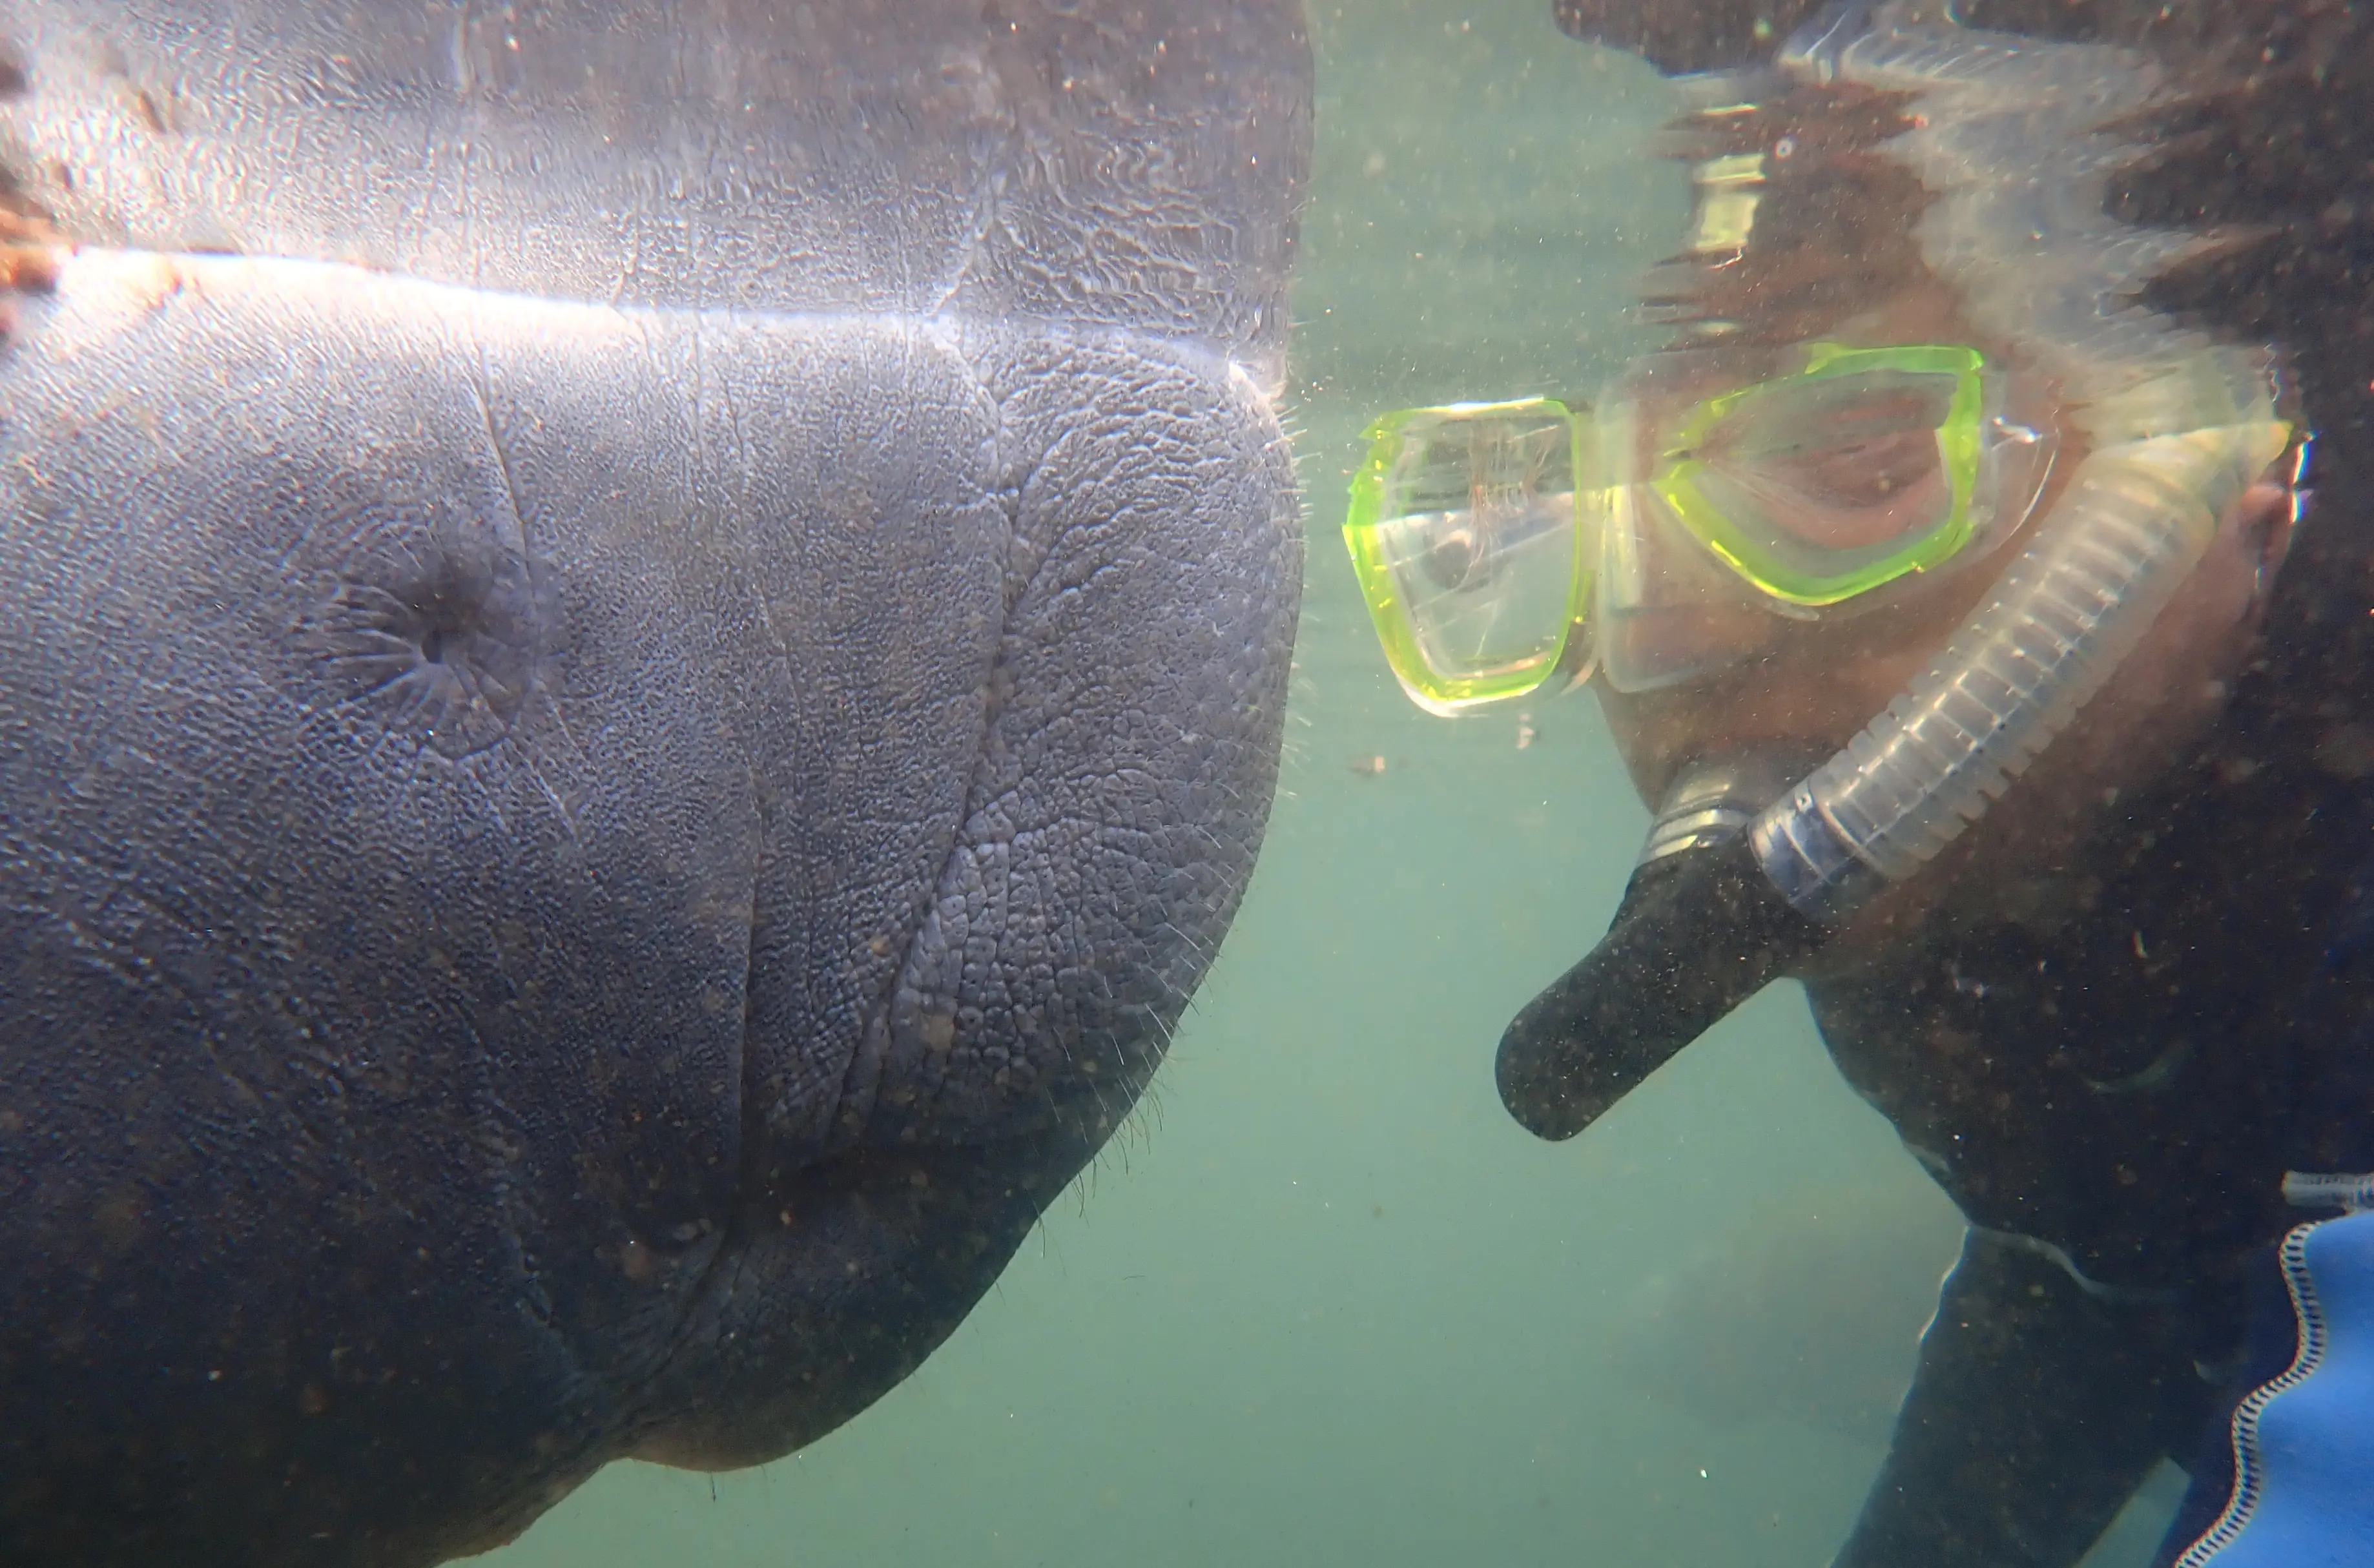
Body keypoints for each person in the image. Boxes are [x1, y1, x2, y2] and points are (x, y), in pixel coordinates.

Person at [1341, 3, 2374, 1563]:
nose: (1676, 648)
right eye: (1589, 531)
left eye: (1860, 465)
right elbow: (2097, 1271)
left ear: (2219, 482)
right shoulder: (1944, 908)